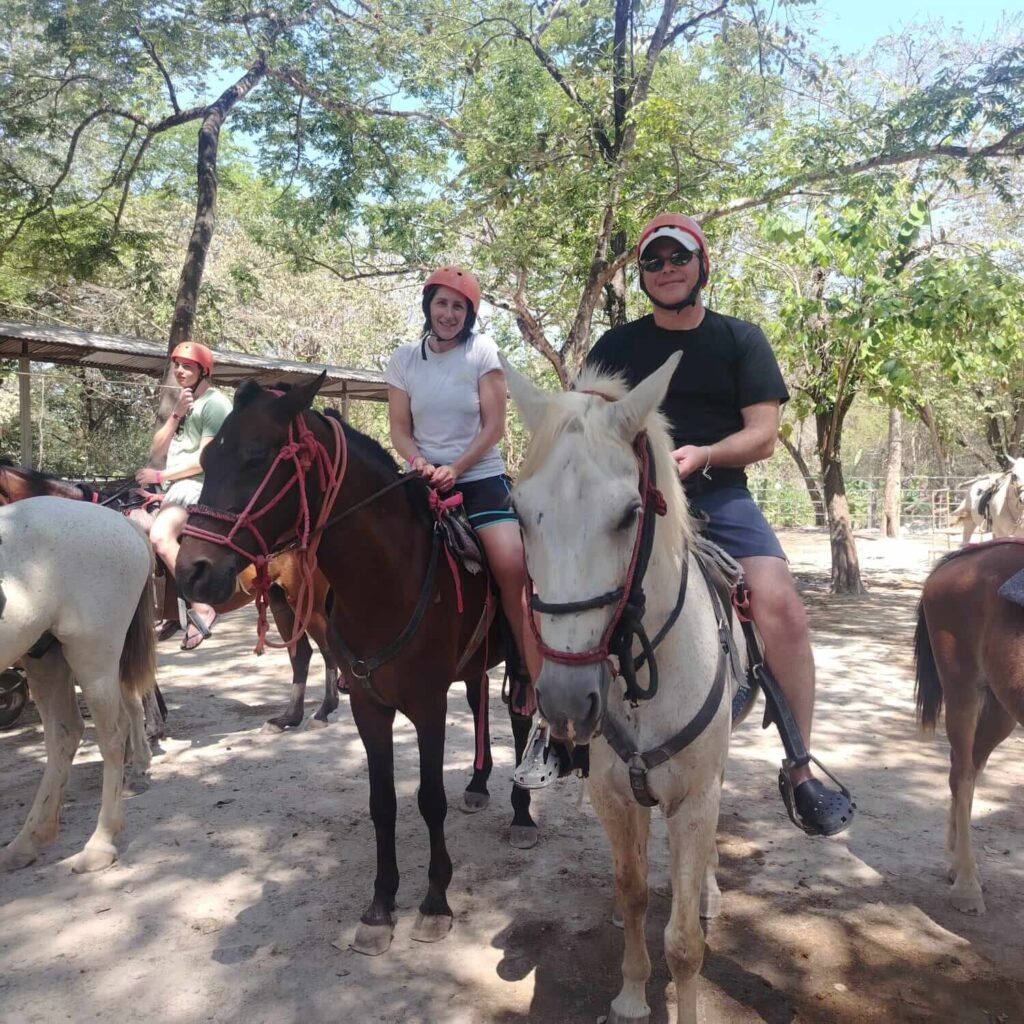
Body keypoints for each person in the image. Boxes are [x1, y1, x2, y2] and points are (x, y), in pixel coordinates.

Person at [583, 212, 854, 837]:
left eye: (679, 256)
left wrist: (704, 455)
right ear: (644, 275)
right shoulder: (615, 348)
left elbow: (763, 433)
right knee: (562, 587)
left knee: (782, 604)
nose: (667, 268)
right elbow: (584, 423)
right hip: (633, 499)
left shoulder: (740, 339)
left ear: (702, 264)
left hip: (718, 494)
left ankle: (799, 763)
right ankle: (558, 732)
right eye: (654, 261)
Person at [386, 267, 564, 778]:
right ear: (428, 305)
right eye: (442, 304)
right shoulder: (403, 360)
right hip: (420, 476)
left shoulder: (482, 354)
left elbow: (495, 427)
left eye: (458, 308)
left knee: (510, 562)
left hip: (478, 477)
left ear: (469, 315)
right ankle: (358, 655)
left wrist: (456, 468)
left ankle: (528, 669)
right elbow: (400, 430)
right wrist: (419, 462)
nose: (448, 314)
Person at [135, 342, 233, 650]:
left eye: (187, 366)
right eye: (177, 364)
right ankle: (166, 609)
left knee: (161, 537)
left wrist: (160, 476)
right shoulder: (184, 402)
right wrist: (175, 414)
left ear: (204, 371)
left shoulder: (215, 404)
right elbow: (157, 449)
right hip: (176, 488)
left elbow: (204, 459)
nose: (179, 370)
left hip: (200, 487)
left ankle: (202, 604)